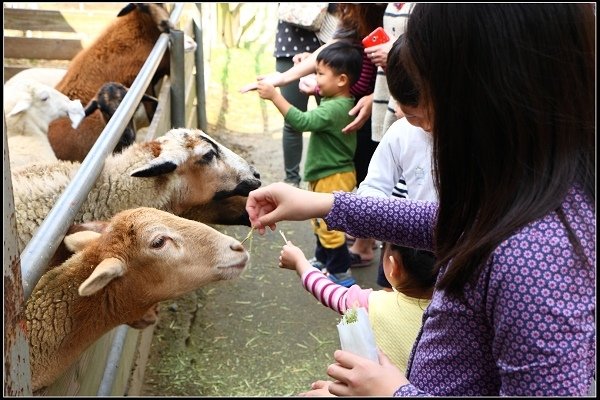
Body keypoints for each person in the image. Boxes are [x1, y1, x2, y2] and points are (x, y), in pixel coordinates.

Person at [246, 3, 595, 396]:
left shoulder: (536, 258)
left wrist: (392, 393)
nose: (426, 131)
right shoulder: (525, 200)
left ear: (492, 97)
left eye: (430, 112)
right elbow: (444, 222)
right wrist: (325, 205)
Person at [256, 40, 364, 288]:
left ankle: (340, 272)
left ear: (341, 80)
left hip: (334, 176)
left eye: (320, 73)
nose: (316, 78)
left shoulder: (336, 108)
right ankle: (324, 259)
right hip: (325, 174)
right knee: (319, 220)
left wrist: (275, 96)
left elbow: (302, 122)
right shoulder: (334, 100)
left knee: (330, 226)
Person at [279, 239, 435, 376]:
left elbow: (328, 292)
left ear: (394, 267)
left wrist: (300, 263)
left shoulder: (372, 304)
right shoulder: (453, 314)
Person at [347, 2, 414, 267]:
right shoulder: (389, 7)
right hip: (391, 99)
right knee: (385, 176)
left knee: (407, 187)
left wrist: (396, 53)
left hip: (410, 103)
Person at [272, 13, 323, 187]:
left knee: (330, 119)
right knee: (292, 119)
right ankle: (291, 179)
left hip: (329, 47)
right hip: (290, 47)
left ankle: (327, 176)